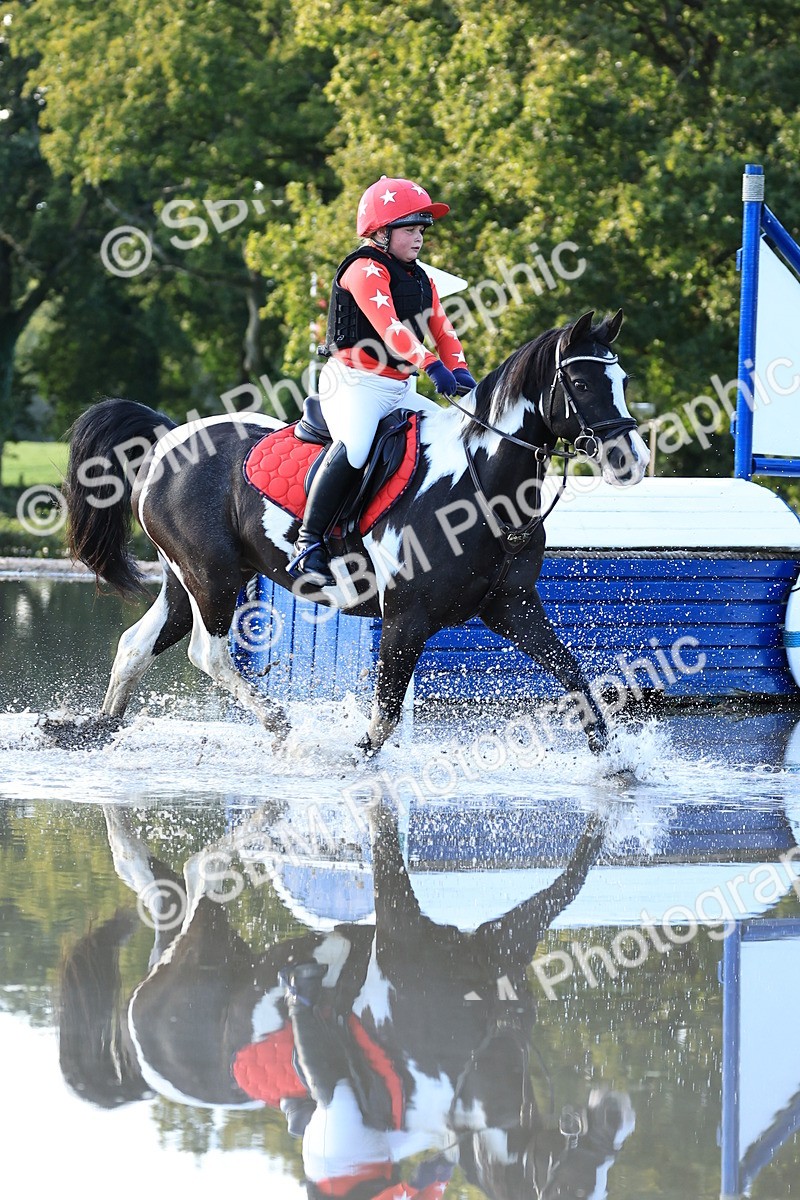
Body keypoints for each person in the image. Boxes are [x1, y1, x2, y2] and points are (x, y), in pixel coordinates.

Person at [288, 175, 477, 586]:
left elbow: (443, 329)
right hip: (354, 384)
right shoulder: (363, 269)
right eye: (409, 229)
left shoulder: (421, 278)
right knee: (355, 448)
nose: (419, 237)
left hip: (399, 388)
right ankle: (309, 542)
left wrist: (459, 368)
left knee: (451, 434)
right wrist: (430, 364)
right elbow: (388, 327)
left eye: (422, 229)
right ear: (380, 232)